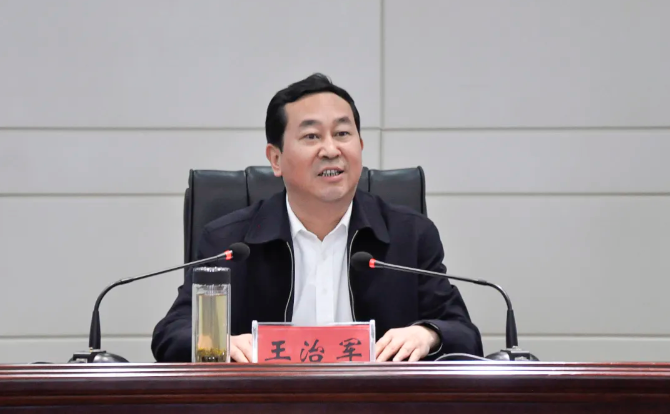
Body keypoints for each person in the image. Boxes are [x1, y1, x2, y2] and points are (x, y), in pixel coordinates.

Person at [152, 73, 483, 363]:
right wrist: (218, 343)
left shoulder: (408, 235)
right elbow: (172, 334)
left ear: (360, 145)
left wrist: (428, 334)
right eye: (312, 136)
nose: (331, 150)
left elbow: (464, 334)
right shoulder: (230, 243)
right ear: (276, 158)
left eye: (342, 134)